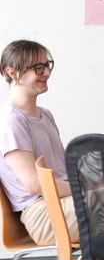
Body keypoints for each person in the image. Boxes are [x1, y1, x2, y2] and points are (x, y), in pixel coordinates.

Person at [0, 40, 79, 246]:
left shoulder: (46, 115)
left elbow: (64, 165)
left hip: (63, 201)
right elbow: (34, 184)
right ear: (13, 73)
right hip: (43, 213)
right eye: (38, 67)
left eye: (47, 65)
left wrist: (96, 181)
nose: (47, 72)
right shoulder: (11, 120)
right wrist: (84, 188)